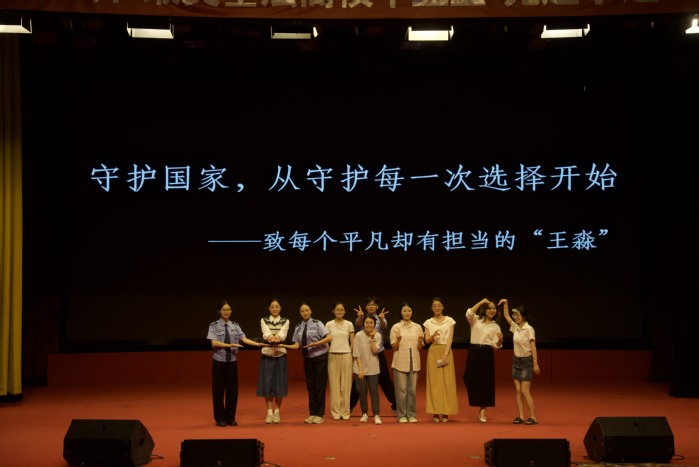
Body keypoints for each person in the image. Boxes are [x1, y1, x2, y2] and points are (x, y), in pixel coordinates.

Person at [207, 300, 265, 427]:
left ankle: (230, 418)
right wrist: (230, 345)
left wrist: (258, 344)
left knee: (232, 391)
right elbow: (214, 343)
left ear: (231, 311)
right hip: (219, 362)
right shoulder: (213, 326)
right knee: (218, 391)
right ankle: (220, 418)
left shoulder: (235, 325)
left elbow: (244, 339)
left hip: (232, 362)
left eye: (228, 309)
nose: (226, 312)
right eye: (224, 310)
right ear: (219, 311)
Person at [351, 296, 397, 413]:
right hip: (363, 354)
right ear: (366, 307)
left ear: (377, 306)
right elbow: (358, 324)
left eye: (373, 304)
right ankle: (349, 406)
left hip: (378, 353)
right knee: (358, 381)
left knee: (385, 380)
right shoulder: (362, 317)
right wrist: (360, 317)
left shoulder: (381, 317)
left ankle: (396, 405)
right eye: (369, 304)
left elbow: (384, 326)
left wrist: (381, 319)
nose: (371, 306)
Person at [290, 302, 332, 424]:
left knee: (319, 385)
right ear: (300, 313)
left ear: (311, 311)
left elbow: (329, 337)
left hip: (320, 357)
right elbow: (296, 345)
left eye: (307, 310)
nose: (305, 313)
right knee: (310, 386)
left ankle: (320, 414)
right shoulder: (298, 327)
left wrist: (316, 343)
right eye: (302, 311)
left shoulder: (317, 323)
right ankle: (312, 413)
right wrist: (281, 346)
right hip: (307, 358)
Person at [464, 298, 503, 423]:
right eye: (489, 308)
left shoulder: (496, 326)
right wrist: (481, 302)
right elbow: (469, 313)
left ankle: (483, 409)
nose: (492, 310)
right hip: (474, 350)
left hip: (486, 352)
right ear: (484, 309)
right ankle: (477, 401)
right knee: (468, 377)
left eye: (494, 309)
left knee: (486, 382)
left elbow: (496, 346)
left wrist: (500, 341)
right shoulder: (476, 320)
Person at [501, 299, 540, 425]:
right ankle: (521, 416)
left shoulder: (529, 329)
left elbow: (533, 346)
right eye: (515, 315)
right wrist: (505, 303)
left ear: (524, 316)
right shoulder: (516, 328)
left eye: (518, 315)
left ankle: (533, 417)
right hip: (516, 361)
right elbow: (506, 316)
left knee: (524, 391)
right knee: (518, 391)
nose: (515, 317)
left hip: (526, 361)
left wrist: (535, 363)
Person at [423, 296, 459, 423]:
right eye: (434, 306)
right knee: (434, 383)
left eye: (439, 305)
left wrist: (445, 354)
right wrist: (432, 336)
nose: (437, 308)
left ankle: (445, 412)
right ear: (431, 308)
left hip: (446, 350)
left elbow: (450, 338)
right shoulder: (428, 322)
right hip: (433, 350)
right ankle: (435, 411)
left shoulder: (450, 320)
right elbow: (427, 340)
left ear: (443, 307)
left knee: (447, 382)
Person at [257, 298, 290, 424]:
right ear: (269, 308)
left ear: (280, 307)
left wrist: (277, 338)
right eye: (272, 307)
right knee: (267, 384)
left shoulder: (285, 321)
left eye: (277, 306)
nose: (275, 309)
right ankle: (269, 412)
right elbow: (265, 333)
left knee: (279, 384)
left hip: (280, 355)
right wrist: (270, 337)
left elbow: (283, 334)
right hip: (267, 355)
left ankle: (277, 412)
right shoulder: (264, 320)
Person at [390, 302, 424, 423]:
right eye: (404, 311)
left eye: (409, 310)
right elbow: (394, 347)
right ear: (401, 312)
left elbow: (420, 347)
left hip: (414, 361)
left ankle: (411, 414)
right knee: (401, 391)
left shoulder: (417, 327)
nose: (407, 313)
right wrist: (398, 341)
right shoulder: (396, 327)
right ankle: (401, 415)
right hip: (400, 361)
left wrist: (419, 341)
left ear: (412, 312)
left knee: (412, 391)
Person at [325, 302, 355, 421]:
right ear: (333, 311)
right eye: (337, 309)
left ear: (345, 311)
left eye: (342, 310)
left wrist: (349, 352)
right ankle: (336, 412)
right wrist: (329, 351)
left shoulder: (349, 324)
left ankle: (345, 411)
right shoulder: (329, 324)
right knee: (334, 385)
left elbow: (352, 342)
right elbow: (326, 341)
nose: (339, 312)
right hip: (333, 355)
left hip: (346, 355)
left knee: (346, 386)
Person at [353, 315, 383, 425]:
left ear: (374, 324)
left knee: (374, 391)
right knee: (362, 391)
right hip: (359, 367)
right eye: (366, 322)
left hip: (373, 367)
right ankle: (364, 413)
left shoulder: (378, 335)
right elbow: (357, 353)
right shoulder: (358, 335)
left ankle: (376, 414)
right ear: (363, 324)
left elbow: (374, 351)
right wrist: (360, 369)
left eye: (371, 323)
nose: (368, 325)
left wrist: (372, 338)